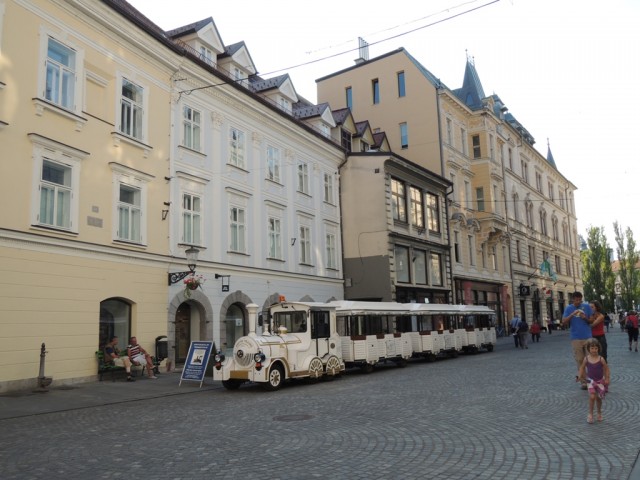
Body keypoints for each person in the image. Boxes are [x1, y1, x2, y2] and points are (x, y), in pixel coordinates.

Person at [562, 291, 593, 390]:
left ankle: (591, 380)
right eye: (576, 300)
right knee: (580, 360)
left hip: (587, 336)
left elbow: (591, 320)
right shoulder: (569, 308)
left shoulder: (586, 307)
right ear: (572, 299)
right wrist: (572, 314)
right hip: (575, 337)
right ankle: (583, 381)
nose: (578, 302)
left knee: (590, 359)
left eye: (580, 300)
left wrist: (585, 318)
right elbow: (564, 321)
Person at [577, 338, 610, 424]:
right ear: (588, 349)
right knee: (592, 397)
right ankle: (590, 414)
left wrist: (607, 378)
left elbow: (606, 369)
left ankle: (599, 412)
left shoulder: (601, 359)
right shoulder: (586, 359)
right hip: (590, 381)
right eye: (592, 348)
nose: (594, 350)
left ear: (598, 349)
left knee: (598, 398)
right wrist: (579, 376)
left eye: (596, 348)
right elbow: (582, 367)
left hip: (600, 381)